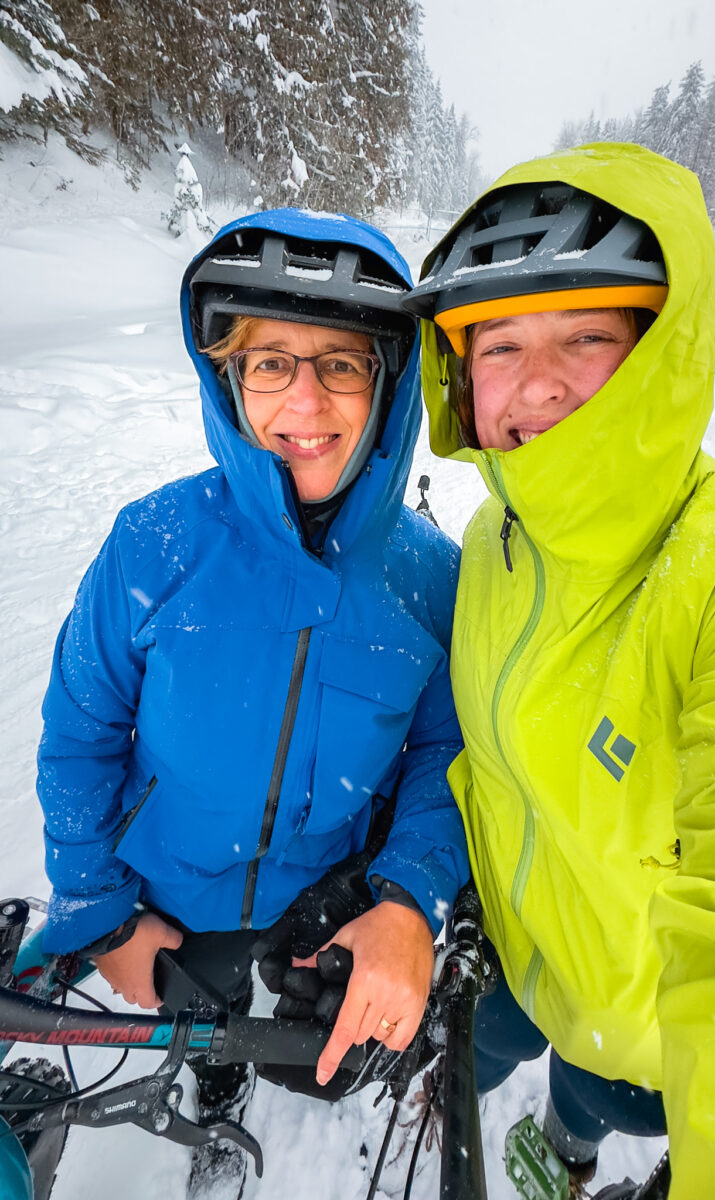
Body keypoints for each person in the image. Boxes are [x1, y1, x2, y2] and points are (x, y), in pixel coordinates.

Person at [36, 209, 469, 1196]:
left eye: (341, 365)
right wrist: (101, 915)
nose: (303, 401)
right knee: (206, 1021)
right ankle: (214, 1076)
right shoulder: (152, 545)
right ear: (227, 377)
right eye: (269, 362)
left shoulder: (430, 583)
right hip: (167, 899)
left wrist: (406, 899)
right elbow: (79, 735)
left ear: (387, 382)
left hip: (317, 907)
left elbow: (443, 761)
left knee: (282, 1032)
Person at [403, 142, 715, 1199]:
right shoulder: (493, 532)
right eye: (498, 346)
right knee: (507, 1088)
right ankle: (530, 1135)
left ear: (659, 351)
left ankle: (586, 1158)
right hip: (510, 964)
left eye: (586, 336)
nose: (534, 385)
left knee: (602, 1099)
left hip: (639, 1024)